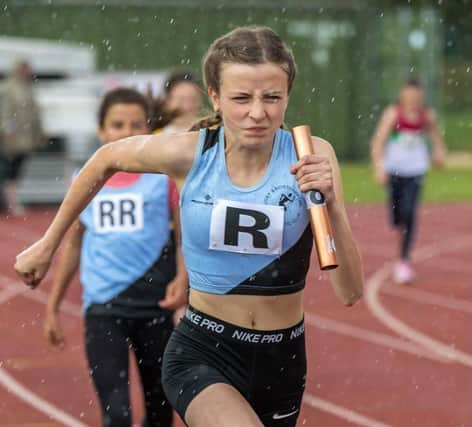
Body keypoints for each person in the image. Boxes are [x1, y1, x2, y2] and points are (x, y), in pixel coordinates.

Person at [15, 26, 364, 427]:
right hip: (203, 351)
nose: (257, 112)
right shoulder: (190, 154)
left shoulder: (312, 154)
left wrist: (332, 204)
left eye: (272, 97)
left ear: (288, 95)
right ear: (214, 95)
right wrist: (47, 244)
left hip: (281, 357)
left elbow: (350, 291)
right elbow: (106, 158)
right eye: (241, 98)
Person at [42, 87, 188, 427]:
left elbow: (185, 237)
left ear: (148, 128)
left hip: (155, 307)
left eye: (136, 124)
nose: (126, 133)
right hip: (103, 311)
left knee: (160, 410)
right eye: (117, 125)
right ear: (101, 130)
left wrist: (183, 278)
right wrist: (52, 307)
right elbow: (75, 245)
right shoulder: (86, 180)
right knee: (116, 414)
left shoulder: (164, 179)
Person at [370, 78, 446, 284]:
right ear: (403, 95)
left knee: (410, 213)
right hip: (394, 170)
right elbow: (378, 141)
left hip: (416, 171)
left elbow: (436, 138)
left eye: (416, 96)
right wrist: (379, 167)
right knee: (396, 215)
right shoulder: (393, 114)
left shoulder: (426, 116)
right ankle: (395, 222)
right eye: (409, 96)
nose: (413, 100)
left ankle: (404, 261)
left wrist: (439, 153)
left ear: (421, 96)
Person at [0, 59, 45, 216]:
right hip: (11, 137)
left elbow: (34, 113)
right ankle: (10, 202)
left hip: (25, 137)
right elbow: (5, 112)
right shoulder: (7, 88)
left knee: (17, 167)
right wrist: (7, 131)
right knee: (8, 168)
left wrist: (39, 130)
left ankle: (10, 200)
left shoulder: (28, 87)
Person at [159, 69, 203, 134]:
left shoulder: (214, 135)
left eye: (193, 100)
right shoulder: (156, 137)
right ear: (167, 102)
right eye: (181, 100)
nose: (187, 106)